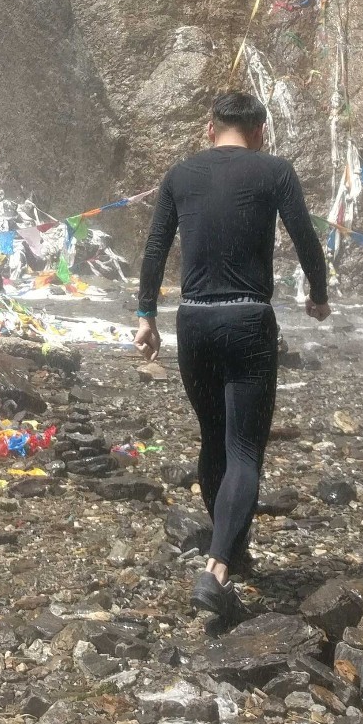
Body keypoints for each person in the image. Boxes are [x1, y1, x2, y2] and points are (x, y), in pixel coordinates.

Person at [135, 90, 330, 620]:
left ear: (209, 127)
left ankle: (233, 550)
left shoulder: (180, 174)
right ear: (261, 130)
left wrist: (145, 316)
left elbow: (156, 248)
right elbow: (306, 239)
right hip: (247, 319)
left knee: (212, 440)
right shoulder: (275, 171)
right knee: (245, 449)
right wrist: (318, 292)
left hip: (193, 321)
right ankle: (218, 565)